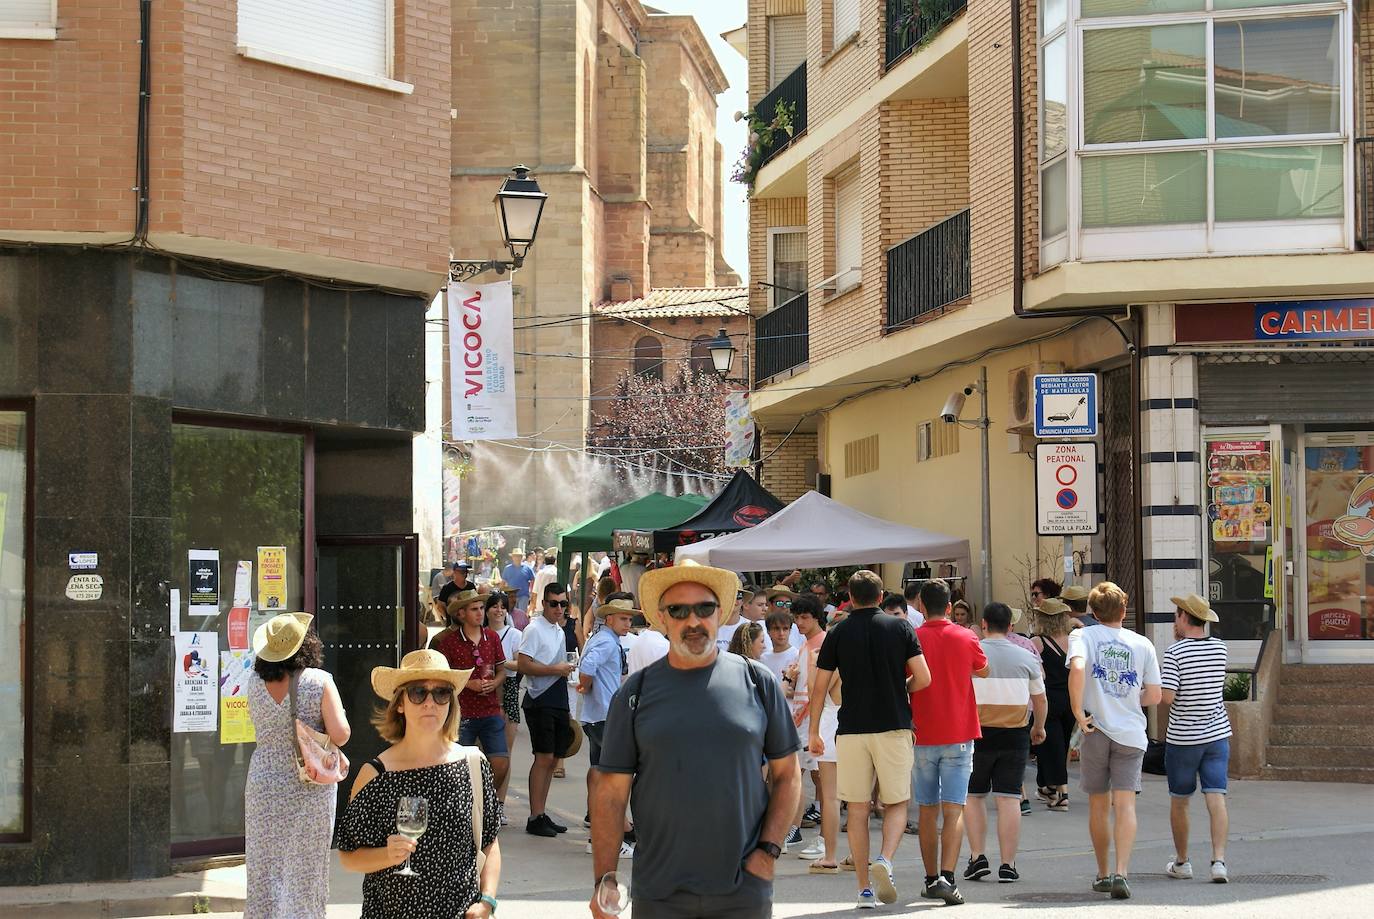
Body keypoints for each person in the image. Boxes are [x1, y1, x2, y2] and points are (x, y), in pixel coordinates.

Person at [589, 560, 802, 919]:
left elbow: (787, 775)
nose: (692, 620)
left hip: (742, 891)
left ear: (720, 613)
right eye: (678, 610)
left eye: (704, 608)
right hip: (659, 893)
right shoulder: (635, 693)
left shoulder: (758, 682)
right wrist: (605, 880)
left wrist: (768, 852)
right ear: (662, 618)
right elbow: (610, 794)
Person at [337, 649, 501, 918]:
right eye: (417, 692)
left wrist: (487, 901)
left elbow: (490, 844)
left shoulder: (472, 763)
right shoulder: (376, 774)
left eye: (441, 693)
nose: (430, 702)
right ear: (399, 703)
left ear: (451, 702)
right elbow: (349, 856)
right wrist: (388, 855)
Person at [811, 570, 931, 910]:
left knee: (858, 809)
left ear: (850, 596)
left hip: (851, 728)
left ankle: (864, 889)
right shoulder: (900, 627)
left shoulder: (838, 632)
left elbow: (819, 687)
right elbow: (923, 677)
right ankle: (886, 861)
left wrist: (814, 732)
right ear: (881, 597)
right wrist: (902, 690)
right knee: (895, 803)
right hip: (893, 724)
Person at [244, 613, 350, 919]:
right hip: (308, 781)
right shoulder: (318, 681)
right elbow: (341, 734)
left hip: (263, 778)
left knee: (265, 867)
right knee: (306, 866)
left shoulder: (253, 682)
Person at [1068, 582, 1162, 900]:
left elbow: (1078, 668)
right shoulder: (1143, 644)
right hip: (1132, 732)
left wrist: (1078, 711)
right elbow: (1156, 695)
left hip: (1097, 729)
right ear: (1124, 610)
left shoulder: (1083, 635)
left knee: (1098, 804)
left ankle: (1103, 872)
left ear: (1093, 612)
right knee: (1125, 805)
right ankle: (1122, 871)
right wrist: (1131, 698)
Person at [910, 578, 989, 907]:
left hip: (923, 733)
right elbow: (983, 671)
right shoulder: (966, 635)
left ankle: (930, 879)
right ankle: (948, 877)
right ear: (948, 606)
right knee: (953, 810)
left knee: (927, 811)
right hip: (959, 732)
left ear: (921, 607)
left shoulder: (913, 637)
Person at [963, 603, 1046, 885]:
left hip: (977, 731)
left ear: (983, 624)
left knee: (974, 796)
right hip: (1015, 732)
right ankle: (1008, 864)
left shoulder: (972, 654)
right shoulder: (1026, 657)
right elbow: (1040, 700)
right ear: (1011, 626)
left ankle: (977, 856)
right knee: (1009, 796)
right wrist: (1038, 727)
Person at [1161, 594, 1232, 884]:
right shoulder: (1220, 649)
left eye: (1176, 615)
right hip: (1217, 735)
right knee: (1216, 796)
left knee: (1180, 800)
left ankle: (1182, 862)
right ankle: (1219, 862)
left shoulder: (1174, 653)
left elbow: (1167, 698)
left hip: (1183, 738)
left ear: (1183, 617)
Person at [429, 590, 510, 803]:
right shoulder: (448, 642)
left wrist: (496, 682)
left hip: (490, 709)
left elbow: (502, 670)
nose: (480, 613)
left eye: (481, 608)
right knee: (458, 766)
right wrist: (467, 683)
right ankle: (465, 806)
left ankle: (484, 804)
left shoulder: (491, 637)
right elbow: (441, 680)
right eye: (474, 609)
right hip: (461, 713)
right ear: (461, 614)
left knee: (501, 762)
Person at [578, 595, 637, 861]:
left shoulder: (604, 639)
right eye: (623, 619)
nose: (627, 623)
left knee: (601, 775)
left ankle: (604, 835)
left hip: (599, 716)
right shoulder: (606, 641)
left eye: (629, 619)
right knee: (612, 779)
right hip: (605, 716)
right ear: (610, 618)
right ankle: (611, 836)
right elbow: (587, 666)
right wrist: (586, 685)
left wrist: (587, 687)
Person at [517, 581, 577, 837]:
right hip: (540, 698)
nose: (559, 609)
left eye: (564, 604)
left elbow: (558, 663)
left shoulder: (559, 631)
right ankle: (535, 815)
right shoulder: (534, 629)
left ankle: (541, 813)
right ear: (544, 604)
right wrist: (556, 670)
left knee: (553, 760)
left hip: (558, 696)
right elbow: (523, 664)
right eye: (554, 603)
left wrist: (563, 670)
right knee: (543, 758)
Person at [786, 595, 828, 847]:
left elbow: (818, 689)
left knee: (816, 775)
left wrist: (802, 717)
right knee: (810, 774)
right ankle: (799, 827)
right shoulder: (807, 644)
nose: (799, 623)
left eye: (804, 617)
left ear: (816, 618)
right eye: (797, 618)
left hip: (812, 719)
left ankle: (807, 829)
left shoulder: (820, 644)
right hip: (806, 718)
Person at [1030, 598, 1076, 812]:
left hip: (1049, 700)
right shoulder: (1074, 640)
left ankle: (1062, 794)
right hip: (1072, 699)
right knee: (1063, 744)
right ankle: (1048, 786)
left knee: (1051, 746)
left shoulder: (1038, 642)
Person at [485, 592, 522, 816]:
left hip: (507, 688)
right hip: (484, 689)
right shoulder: (481, 635)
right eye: (494, 606)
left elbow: (522, 663)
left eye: (503, 607)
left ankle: (499, 804)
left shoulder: (514, 634)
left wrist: (501, 663)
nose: (499, 610)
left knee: (504, 752)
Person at [760, 610, 799, 683]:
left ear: (790, 631)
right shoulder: (763, 658)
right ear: (768, 631)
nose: (781, 633)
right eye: (776, 628)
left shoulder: (797, 655)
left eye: (785, 629)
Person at [501, 549, 536, 614]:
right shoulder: (507, 569)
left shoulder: (527, 568)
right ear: (512, 557)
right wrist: (502, 594)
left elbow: (533, 580)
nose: (517, 558)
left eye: (519, 556)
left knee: (522, 614)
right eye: (515, 556)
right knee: (511, 613)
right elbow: (503, 582)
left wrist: (532, 592)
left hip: (523, 595)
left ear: (522, 557)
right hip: (511, 595)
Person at [531, 549, 559, 615]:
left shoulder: (540, 573)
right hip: (556, 606)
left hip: (541, 606)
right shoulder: (558, 573)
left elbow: (535, 592)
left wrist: (533, 607)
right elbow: (567, 590)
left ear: (545, 562)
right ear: (554, 561)